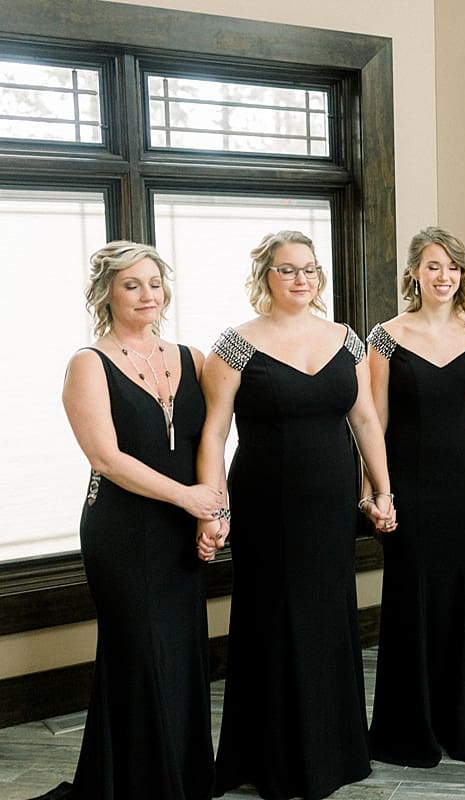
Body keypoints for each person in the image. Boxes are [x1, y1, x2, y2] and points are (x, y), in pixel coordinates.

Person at [195, 230, 395, 800]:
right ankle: (275, 757)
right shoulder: (234, 344)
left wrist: (382, 491)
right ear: (266, 278)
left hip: (331, 504)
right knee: (274, 621)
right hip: (265, 503)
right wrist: (214, 506)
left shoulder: (346, 339)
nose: (301, 279)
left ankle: (335, 751)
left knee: (328, 618)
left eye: (309, 269)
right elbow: (213, 432)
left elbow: (364, 422)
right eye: (287, 270)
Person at [55, 241, 221, 800]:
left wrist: (210, 515)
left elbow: (208, 442)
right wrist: (190, 500)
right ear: (107, 293)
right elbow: (107, 459)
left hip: (181, 526)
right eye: (132, 285)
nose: (147, 294)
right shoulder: (89, 363)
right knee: (141, 652)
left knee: (182, 652)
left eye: (154, 282)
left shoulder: (192, 357)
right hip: (122, 530)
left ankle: (182, 778)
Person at [363, 227, 465, 767]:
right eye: (433, 265)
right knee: (411, 597)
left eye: (453, 267)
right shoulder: (384, 337)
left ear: (462, 276)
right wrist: (379, 491)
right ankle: (409, 729)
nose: (444, 276)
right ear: (414, 273)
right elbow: (372, 421)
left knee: (463, 596)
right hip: (408, 485)